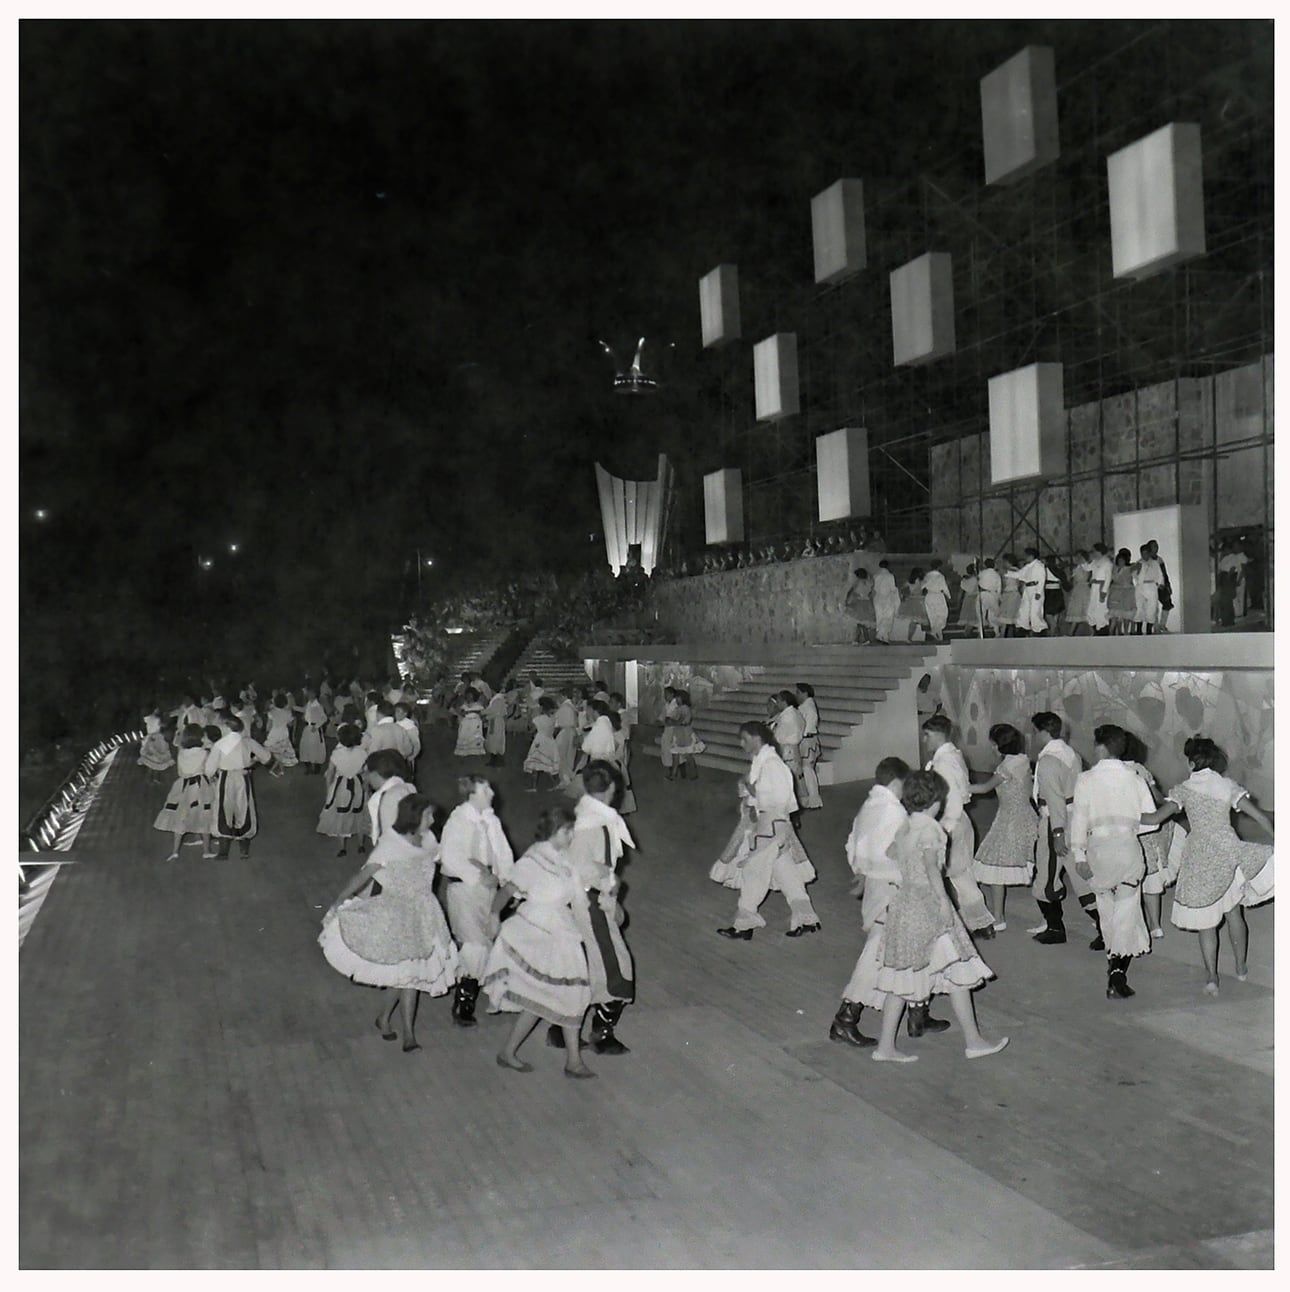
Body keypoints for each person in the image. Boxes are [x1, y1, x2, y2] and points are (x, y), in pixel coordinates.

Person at [870, 770, 1008, 1064]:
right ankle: (973, 1042)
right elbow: (933, 868)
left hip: (905, 904)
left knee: (905, 975)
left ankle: (885, 1046)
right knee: (957, 967)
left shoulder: (904, 827)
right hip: (929, 906)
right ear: (935, 801)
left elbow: (891, 854)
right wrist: (944, 902)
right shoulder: (932, 829)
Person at [318, 793, 457, 1054]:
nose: (433, 819)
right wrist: (340, 900)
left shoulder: (429, 839)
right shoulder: (389, 845)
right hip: (396, 914)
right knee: (407, 975)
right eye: (428, 815)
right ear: (415, 817)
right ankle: (409, 1034)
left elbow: (440, 862)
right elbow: (363, 875)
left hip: (424, 914)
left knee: (406, 974)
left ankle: (384, 1019)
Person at [829, 757, 951, 1046]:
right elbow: (907, 857)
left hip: (875, 887)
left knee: (919, 947)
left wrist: (862, 871)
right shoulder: (896, 813)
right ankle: (845, 1019)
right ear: (897, 783)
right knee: (878, 955)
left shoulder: (868, 807)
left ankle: (917, 1013)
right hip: (895, 890)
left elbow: (852, 844)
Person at [1144, 736, 1274, 995]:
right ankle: (1241, 968)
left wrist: (1120, 815)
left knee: (1207, 921)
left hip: (1200, 858)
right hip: (1228, 852)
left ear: (1191, 763)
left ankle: (1212, 977)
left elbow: (1155, 817)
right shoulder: (1226, 785)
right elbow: (1260, 817)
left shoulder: (1183, 789)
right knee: (1234, 914)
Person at [484, 807, 597, 1078]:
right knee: (556, 994)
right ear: (559, 831)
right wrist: (493, 916)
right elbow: (507, 890)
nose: (573, 836)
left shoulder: (566, 861)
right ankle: (570, 1061)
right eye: (570, 831)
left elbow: (580, 896)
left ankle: (568, 1060)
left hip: (562, 931)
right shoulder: (534, 858)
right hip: (534, 931)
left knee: (557, 995)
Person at [551, 762, 636, 1055]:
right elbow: (593, 870)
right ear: (612, 787)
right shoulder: (598, 823)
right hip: (589, 901)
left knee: (583, 963)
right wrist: (612, 895)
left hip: (573, 899)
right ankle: (602, 1033)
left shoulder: (582, 816)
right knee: (617, 967)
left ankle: (558, 1029)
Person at [1068, 725, 1157, 999]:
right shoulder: (1135, 778)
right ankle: (1117, 972)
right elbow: (1149, 822)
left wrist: (1079, 855)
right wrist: (1127, 829)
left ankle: (1113, 966)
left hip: (1097, 852)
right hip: (1128, 851)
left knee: (1107, 913)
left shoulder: (1085, 779)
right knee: (1127, 913)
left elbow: (1079, 820)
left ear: (1101, 747)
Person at [713, 722, 821, 939]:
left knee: (754, 870)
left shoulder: (772, 764)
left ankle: (744, 924)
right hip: (768, 825)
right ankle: (807, 918)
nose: (741, 743)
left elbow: (780, 800)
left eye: (744, 739)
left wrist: (751, 790)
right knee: (786, 873)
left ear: (756, 738)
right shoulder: (763, 763)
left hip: (771, 826)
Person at [438, 775, 515, 1027]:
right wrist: (479, 878)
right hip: (465, 889)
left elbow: (503, 853)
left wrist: (506, 882)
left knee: (486, 939)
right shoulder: (458, 821)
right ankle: (464, 1000)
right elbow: (450, 858)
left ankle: (474, 986)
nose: (492, 792)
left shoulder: (491, 820)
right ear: (471, 795)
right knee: (474, 942)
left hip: (490, 889)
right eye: (485, 789)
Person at [1028, 711, 1101, 947]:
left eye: (1035, 731)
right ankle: (1105, 928)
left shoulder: (1048, 760)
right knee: (1081, 877)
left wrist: (1056, 833)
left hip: (1055, 821)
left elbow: (1054, 800)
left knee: (1045, 880)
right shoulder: (1071, 753)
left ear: (1043, 732)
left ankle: (1055, 928)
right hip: (1075, 818)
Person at [921, 715, 995, 938]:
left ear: (936, 735)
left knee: (947, 873)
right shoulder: (953, 754)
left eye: (926, 735)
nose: (924, 740)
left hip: (951, 823)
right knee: (961, 874)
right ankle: (980, 923)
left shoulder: (943, 763)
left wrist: (944, 831)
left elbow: (952, 799)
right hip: (959, 821)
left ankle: (969, 924)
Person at [968, 723, 1038, 929]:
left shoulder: (1006, 766)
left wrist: (956, 786)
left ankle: (999, 918)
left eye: (993, 744)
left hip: (1010, 821)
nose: (991, 747)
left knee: (994, 866)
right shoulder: (1022, 760)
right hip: (1026, 816)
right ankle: (1044, 918)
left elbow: (984, 788)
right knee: (1032, 866)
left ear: (1000, 745)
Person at [204, 715, 271, 858]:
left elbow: (209, 769)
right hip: (243, 777)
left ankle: (223, 852)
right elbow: (266, 756)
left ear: (227, 728)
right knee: (244, 808)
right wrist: (252, 762)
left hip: (226, 778)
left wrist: (210, 777)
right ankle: (244, 850)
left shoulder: (220, 744)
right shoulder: (248, 742)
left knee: (223, 809)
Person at [153, 723, 213, 860]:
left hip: (183, 785)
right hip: (200, 785)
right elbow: (209, 771)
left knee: (182, 815)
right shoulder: (204, 752)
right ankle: (206, 851)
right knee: (204, 815)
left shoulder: (181, 753)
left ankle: (175, 851)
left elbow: (180, 772)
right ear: (199, 737)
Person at [317, 722, 369, 857]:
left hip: (341, 786)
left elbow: (330, 774)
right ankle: (361, 845)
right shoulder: (362, 753)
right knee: (359, 813)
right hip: (358, 784)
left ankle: (342, 847)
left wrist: (329, 791)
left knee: (341, 815)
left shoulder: (336, 754)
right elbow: (365, 772)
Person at [364, 749, 414, 847]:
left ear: (375, 774)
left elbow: (381, 832)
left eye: (367, 773)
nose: (366, 778)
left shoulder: (379, 798)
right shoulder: (409, 787)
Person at [768, 691, 805, 818]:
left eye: (778, 701)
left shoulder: (788, 717)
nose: (776, 704)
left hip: (787, 751)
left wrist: (772, 733)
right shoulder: (793, 713)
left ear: (784, 701)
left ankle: (791, 815)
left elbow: (779, 737)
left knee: (786, 785)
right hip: (791, 750)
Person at [794, 682, 824, 811]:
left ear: (805, 693)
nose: (796, 695)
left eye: (798, 693)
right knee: (807, 770)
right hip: (809, 741)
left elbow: (803, 726)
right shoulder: (808, 705)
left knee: (807, 770)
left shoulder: (807, 708)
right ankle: (809, 799)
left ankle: (814, 800)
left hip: (807, 741)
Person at [523, 695, 562, 790]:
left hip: (539, 741)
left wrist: (528, 723)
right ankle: (553, 784)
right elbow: (556, 729)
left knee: (535, 763)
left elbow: (531, 730)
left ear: (541, 707)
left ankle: (534, 786)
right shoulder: (553, 718)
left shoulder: (538, 719)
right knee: (547, 763)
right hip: (550, 741)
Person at [666, 689, 703, 781]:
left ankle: (693, 774)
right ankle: (673, 775)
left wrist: (671, 721)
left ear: (682, 698)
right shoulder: (679, 708)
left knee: (687, 755)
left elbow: (680, 721)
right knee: (675, 754)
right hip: (678, 733)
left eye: (678, 697)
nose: (676, 700)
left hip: (684, 734)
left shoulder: (685, 708)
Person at [1013, 547, 1048, 635]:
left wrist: (1038, 592)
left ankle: (1039, 630)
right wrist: (1007, 573)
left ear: (1031, 556)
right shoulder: (1028, 567)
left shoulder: (1039, 565)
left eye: (1026, 556)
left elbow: (1042, 579)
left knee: (1035, 611)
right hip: (1027, 589)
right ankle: (1023, 627)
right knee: (1024, 609)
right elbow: (1019, 574)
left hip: (1035, 589)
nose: (1025, 557)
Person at [264, 693, 300, 775]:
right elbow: (290, 724)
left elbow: (269, 725)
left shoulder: (271, 712)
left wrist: (267, 732)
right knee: (281, 751)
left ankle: (277, 769)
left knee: (276, 752)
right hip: (283, 733)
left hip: (274, 733)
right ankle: (279, 769)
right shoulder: (287, 712)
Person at [138, 709, 175, 783]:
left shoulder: (149, 718)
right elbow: (163, 725)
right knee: (156, 758)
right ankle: (154, 777)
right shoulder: (157, 719)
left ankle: (152, 778)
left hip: (150, 739)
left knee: (152, 759)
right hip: (157, 739)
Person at [1107, 549, 1137, 635]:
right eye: (1119, 560)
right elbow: (1112, 579)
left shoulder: (1129, 569)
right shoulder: (1114, 569)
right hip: (1116, 593)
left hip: (1127, 593)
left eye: (1122, 560)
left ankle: (1127, 631)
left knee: (1126, 614)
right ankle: (1118, 631)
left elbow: (1137, 569)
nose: (1120, 562)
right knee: (1116, 613)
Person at [1086, 543, 1114, 635]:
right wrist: (1084, 560)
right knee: (1091, 611)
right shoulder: (1095, 561)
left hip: (1101, 588)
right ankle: (1096, 630)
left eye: (1094, 551)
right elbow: (1087, 568)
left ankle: (1103, 632)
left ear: (1099, 551)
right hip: (1094, 588)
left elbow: (1108, 578)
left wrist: (1104, 592)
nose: (1093, 553)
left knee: (1101, 611)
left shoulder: (1107, 562)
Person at [299, 688, 328, 775]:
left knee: (315, 748)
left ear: (315, 695)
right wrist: (292, 707)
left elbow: (324, 718)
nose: (308, 695)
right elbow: (303, 710)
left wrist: (316, 726)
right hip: (308, 728)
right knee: (305, 747)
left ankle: (316, 767)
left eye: (310, 693)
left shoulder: (318, 706)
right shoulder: (308, 704)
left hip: (314, 729)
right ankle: (308, 767)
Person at [872, 560, 901, 644]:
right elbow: (892, 588)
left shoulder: (875, 575)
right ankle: (884, 636)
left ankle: (880, 634)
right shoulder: (890, 576)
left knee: (879, 616)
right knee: (888, 617)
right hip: (887, 598)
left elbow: (874, 588)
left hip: (877, 598)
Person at [453, 689, 488, 760]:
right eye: (468, 695)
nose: (469, 697)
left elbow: (483, 714)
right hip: (465, 724)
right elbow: (458, 712)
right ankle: (464, 752)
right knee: (465, 737)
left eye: (470, 695)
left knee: (475, 738)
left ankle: (476, 751)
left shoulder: (479, 705)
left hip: (475, 725)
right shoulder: (464, 705)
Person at [921, 559, 951, 641]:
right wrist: (948, 596)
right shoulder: (940, 576)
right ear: (939, 567)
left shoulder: (927, 575)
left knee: (932, 615)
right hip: (938, 596)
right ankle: (935, 631)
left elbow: (922, 586)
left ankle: (938, 634)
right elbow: (944, 587)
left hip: (929, 596)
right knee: (941, 614)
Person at [844, 567, 875, 644]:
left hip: (859, 603)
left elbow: (850, 592)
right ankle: (861, 639)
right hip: (867, 603)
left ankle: (859, 639)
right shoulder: (869, 582)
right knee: (862, 622)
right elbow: (871, 593)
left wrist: (847, 600)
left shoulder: (857, 582)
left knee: (859, 622)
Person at [1064, 552, 1091, 635]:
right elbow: (1073, 580)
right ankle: (1071, 633)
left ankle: (1093, 631)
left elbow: (1086, 577)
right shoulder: (1077, 567)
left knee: (1085, 610)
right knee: (1076, 612)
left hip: (1083, 589)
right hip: (1077, 590)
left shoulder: (1086, 566)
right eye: (1077, 557)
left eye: (1080, 557)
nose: (1077, 558)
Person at [394, 702, 422, 776]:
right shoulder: (395, 724)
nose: (396, 714)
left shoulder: (410, 727)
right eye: (395, 711)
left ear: (405, 713)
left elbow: (416, 744)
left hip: (407, 757)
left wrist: (411, 757)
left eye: (398, 711)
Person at [483, 688, 508, 766]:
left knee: (494, 740)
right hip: (496, 721)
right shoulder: (499, 698)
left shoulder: (497, 699)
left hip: (495, 721)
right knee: (496, 739)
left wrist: (482, 713)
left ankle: (495, 760)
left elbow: (493, 711)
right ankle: (496, 759)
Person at [977, 559, 1002, 637]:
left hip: (982, 593)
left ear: (985, 565)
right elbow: (999, 587)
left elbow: (978, 579)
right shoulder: (997, 575)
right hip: (992, 594)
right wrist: (998, 597)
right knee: (994, 614)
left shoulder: (982, 573)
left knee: (980, 613)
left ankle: (981, 632)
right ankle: (996, 632)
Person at [957, 564, 981, 636]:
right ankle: (969, 631)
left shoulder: (965, 581)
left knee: (969, 616)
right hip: (975, 597)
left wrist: (958, 602)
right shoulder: (977, 579)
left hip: (968, 598)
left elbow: (960, 592)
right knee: (974, 616)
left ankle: (967, 632)